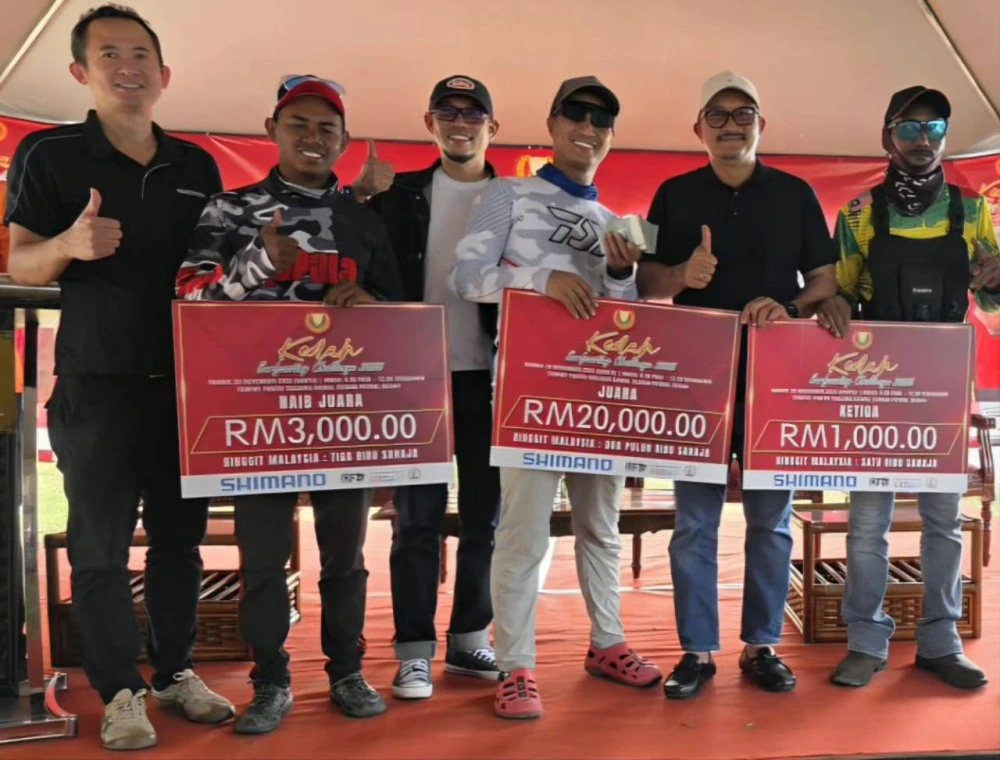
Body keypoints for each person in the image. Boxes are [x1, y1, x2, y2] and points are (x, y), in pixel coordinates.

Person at [3, 5, 233, 750]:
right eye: (109, 54)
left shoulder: (197, 166)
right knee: (99, 548)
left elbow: (222, 271)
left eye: (141, 54)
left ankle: (173, 672)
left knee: (178, 542)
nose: (127, 66)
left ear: (164, 74)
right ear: (82, 72)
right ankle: (121, 691)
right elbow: (20, 262)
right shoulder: (49, 155)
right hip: (95, 385)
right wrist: (69, 242)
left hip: (187, 387)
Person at [176, 74, 403, 732]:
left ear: (343, 141)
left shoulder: (363, 220)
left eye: (326, 128)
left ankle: (347, 671)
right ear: (273, 131)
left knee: (346, 555)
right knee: (264, 555)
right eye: (298, 124)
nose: (312, 136)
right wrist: (259, 266)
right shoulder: (232, 208)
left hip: (344, 415)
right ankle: (270, 679)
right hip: (255, 416)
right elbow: (189, 297)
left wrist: (372, 305)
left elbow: (404, 311)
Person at [451, 76, 661, 720]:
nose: (588, 128)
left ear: (610, 136)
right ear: (552, 121)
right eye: (577, 114)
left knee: (601, 528)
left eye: (602, 119)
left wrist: (622, 274)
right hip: (528, 395)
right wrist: (544, 277)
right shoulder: (507, 193)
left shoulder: (611, 221)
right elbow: (466, 277)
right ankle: (516, 666)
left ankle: (608, 643)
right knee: (521, 534)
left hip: (601, 398)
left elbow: (620, 315)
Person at [637, 72, 837, 699]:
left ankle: (762, 645)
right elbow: (648, 288)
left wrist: (788, 305)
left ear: (760, 125)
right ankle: (696, 652)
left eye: (742, 113)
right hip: (696, 381)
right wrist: (684, 273)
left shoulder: (795, 194)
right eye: (717, 115)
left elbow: (826, 282)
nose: (730, 125)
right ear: (699, 128)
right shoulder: (673, 194)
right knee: (694, 525)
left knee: (770, 523)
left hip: (772, 382)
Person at [817, 85, 999, 690]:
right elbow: (838, 291)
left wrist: (996, 283)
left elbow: (992, 302)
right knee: (868, 524)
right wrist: (835, 308)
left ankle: (940, 641)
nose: (923, 140)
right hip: (879, 386)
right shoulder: (860, 214)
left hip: (945, 384)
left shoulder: (973, 211)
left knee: (944, 523)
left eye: (935, 128)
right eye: (909, 127)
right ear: (886, 136)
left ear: (944, 136)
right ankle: (866, 641)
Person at [363, 75, 502, 699]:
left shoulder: (514, 199)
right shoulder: (399, 196)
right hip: (415, 379)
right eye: (447, 111)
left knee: (485, 521)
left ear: (491, 128)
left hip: (494, 381)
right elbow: (355, 255)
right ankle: (413, 651)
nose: (460, 122)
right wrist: (357, 194)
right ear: (430, 123)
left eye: (473, 114)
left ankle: (471, 639)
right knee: (414, 522)